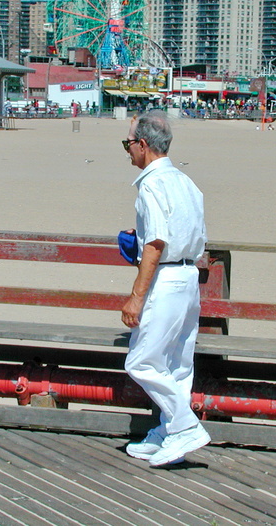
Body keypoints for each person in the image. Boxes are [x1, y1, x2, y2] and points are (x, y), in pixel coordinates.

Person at [121, 110, 210, 467]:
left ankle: (186, 426)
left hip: (168, 279)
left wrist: (136, 298)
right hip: (189, 278)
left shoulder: (152, 184)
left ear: (143, 145)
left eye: (128, 144)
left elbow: (155, 244)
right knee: (176, 364)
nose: (127, 150)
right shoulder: (186, 182)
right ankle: (169, 429)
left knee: (141, 361)